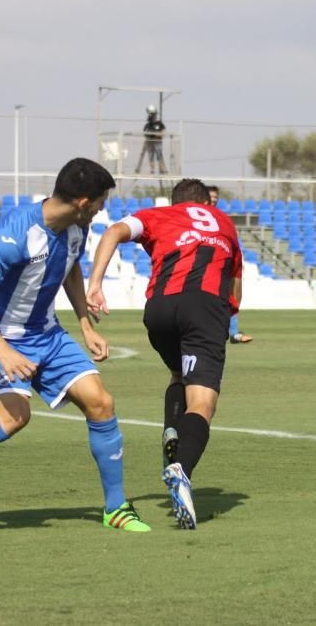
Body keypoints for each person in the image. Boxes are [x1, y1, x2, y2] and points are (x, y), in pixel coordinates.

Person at [0, 158, 150, 535]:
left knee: (101, 402)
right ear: (83, 202)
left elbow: (70, 268)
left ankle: (115, 507)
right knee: (13, 417)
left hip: (46, 332)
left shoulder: (76, 229)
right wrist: (3, 350)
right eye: (101, 201)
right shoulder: (16, 233)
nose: (104, 208)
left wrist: (85, 325)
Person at [86, 178, 243, 530]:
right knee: (201, 403)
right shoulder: (225, 224)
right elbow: (235, 284)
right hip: (203, 309)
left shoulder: (158, 215)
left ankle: (172, 433)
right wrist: (226, 317)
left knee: (178, 375)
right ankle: (181, 470)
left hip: (158, 309)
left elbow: (112, 232)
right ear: (207, 203)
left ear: (176, 203)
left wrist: (94, 283)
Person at [208, 184, 252, 344]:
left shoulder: (221, 218)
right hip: (205, 264)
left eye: (216, 198)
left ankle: (233, 332)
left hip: (223, 260)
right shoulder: (198, 218)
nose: (213, 201)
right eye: (210, 197)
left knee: (233, 294)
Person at [134, 105, 168, 175]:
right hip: (149, 142)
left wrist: (156, 135)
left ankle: (163, 169)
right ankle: (152, 169)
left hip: (157, 142)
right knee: (151, 156)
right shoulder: (148, 124)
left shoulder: (159, 124)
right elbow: (145, 133)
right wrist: (149, 135)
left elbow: (163, 133)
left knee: (159, 155)